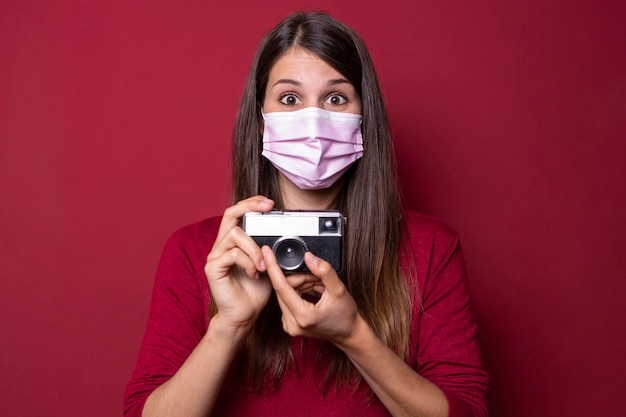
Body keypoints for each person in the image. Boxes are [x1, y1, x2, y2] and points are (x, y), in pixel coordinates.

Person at [123, 11, 488, 417]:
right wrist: (229, 326)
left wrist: (353, 335)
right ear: (261, 120)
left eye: (335, 98)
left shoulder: (430, 249)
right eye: (290, 98)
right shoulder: (200, 253)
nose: (313, 121)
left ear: (363, 118)